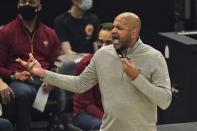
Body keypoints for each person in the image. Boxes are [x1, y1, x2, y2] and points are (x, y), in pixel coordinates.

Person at [17, 12, 172, 131]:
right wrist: (43, 73)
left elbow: (165, 101)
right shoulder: (102, 55)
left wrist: (137, 77)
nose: (114, 32)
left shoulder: (154, 57)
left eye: (120, 28)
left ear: (134, 32)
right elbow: (79, 84)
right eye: (114, 27)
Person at [0, 0, 61, 131]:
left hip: (44, 80)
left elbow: (57, 63)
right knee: (23, 93)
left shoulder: (50, 33)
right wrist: (13, 74)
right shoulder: (6, 32)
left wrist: (53, 78)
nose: (27, 5)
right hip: (19, 80)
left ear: (39, 7)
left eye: (32, 2)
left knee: (68, 88)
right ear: (18, 5)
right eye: (23, 2)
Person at [73, 23, 113, 130]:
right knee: (103, 126)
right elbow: (87, 104)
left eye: (108, 43)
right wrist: (108, 120)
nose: (103, 46)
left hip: (112, 113)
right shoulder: (86, 64)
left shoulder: (123, 64)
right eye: (101, 42)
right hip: (86, 113)